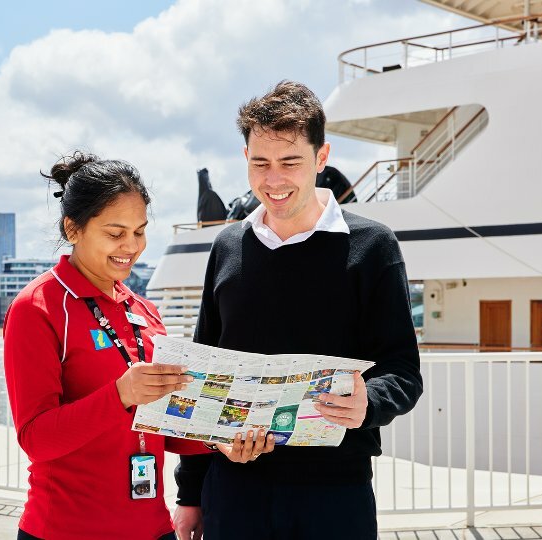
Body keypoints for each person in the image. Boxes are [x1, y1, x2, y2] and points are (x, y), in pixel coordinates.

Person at [172, 81, 424, 540]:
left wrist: (369, 402)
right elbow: (201, 373)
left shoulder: (373, 246)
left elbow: (403, 370)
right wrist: (189, 494)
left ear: (321, 157)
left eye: (290, 162)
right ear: (244, 159)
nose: (274, 180)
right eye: (260, 163)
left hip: (334, 492)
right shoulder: (227, 245)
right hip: (233, 488)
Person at [3, 152, 273, 540]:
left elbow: (162, 424)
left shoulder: (143, 309)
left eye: (140, 231)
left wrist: (221, 440)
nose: (131, 246)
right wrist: (120, 394)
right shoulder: (37, 307)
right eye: (116, 233)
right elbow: (36, 439)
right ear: (73, 229)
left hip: (151, 529)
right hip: (65, 530)